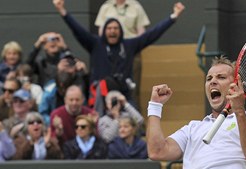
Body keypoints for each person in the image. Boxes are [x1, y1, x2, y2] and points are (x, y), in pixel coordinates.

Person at [52, 0, 185, 104]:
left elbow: (151, 34)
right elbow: (77, 30)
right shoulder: (95, 44)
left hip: (124, 95)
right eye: (109, 28)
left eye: (115, 28)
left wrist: (173, 17)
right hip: (99, 95)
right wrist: (62, 11)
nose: (112, 31)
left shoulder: (128, 45)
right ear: (104, 30)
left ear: (120, 31)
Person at [39, 50, 89, 124]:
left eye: (70, 63)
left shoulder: (79, 84)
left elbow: (86, 108)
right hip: (55, 124)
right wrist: (53, 122)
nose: (67, 65)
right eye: (64, 62)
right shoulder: (51, 88)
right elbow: (42, 114)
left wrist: (85, 73)